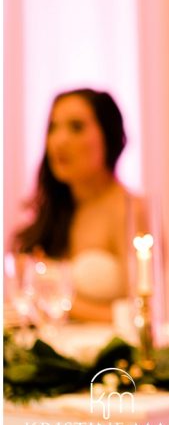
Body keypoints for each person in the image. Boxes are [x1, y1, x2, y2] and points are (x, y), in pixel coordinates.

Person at [12, 88, 148, 323]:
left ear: (108, 135)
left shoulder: (129, 210)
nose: (59, 141)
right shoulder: (58, 211)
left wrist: (61, 303)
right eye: (53, 128)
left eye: (76, 127)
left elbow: (144, 315)